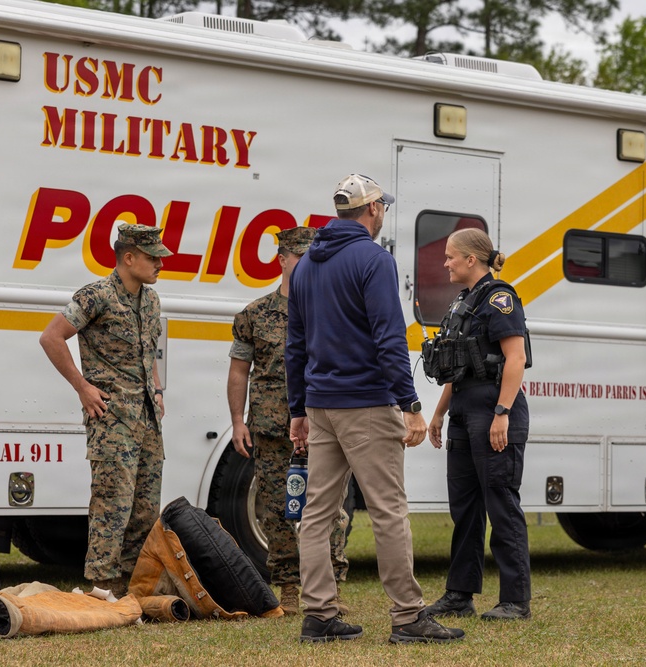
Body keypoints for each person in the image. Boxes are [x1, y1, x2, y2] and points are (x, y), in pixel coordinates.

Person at [285, 173, 465, 645]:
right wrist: (410, 404)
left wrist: (297, 409)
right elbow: (389, 338)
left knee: (317, 512)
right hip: (366, 402)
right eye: (382, 205)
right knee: (388, 510)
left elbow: (296, 345)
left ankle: (318, 615)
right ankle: (408, 617)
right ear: (373, 211)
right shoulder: (374, 259)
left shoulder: (304, 266)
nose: (383, 211)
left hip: (321, 405)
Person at [39, 223, 171, 598]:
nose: (159, 264)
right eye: (152, 257)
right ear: (128, 258)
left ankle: (132, 590)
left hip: (145, 419)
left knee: (146, 509)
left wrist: (157, 390)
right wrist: (82, 387)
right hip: (112, 420)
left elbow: (150, 351)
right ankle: (102, 588)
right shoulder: (95, 296)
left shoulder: (151, 300)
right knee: (112, 505)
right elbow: (51, 338)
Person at [227, 226, 351, 617]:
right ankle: (289, 587)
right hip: (271, 425)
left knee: (330, 508)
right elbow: (238, 373)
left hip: (323, 424)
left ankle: (328, 588)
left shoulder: (331, 311)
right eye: (301, 257)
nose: (309, 265)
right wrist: (236, 421)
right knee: (275, 508)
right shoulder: (254, 315)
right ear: (282, 260)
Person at [423, 227, 532, 621]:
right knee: (465, 508)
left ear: (472, 259)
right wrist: (438, 413)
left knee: (501, 504)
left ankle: (515, 601)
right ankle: (460, 595)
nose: (446, 262)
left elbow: (515, 358)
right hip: (464, 411)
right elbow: (459, 366)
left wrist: (502, 413)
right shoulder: (463, 303)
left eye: (452, 256)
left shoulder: (500, 299)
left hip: (493, 410)